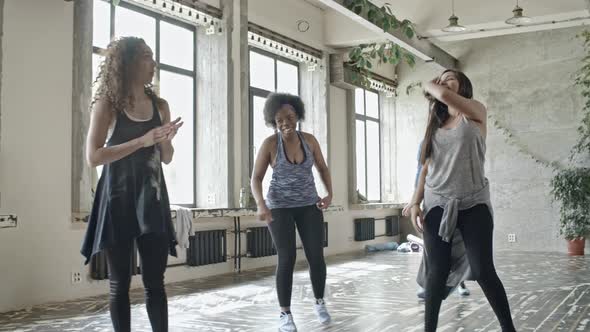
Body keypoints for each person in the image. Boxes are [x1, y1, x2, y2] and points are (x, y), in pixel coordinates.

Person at [81, 37, 183, 332]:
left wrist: (164, 142)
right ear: (128, 63)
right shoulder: (107, 104)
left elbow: (166, 158)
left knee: (155, 283)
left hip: (151, 199)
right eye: (147, 57)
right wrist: (142, 140)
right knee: (119, 284)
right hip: (117, 200)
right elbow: (94, 157)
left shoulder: (160, 106)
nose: (154, 63)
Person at [407, 70, 516, 331]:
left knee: (483, 270)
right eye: (440, 78)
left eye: (450, 78)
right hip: (436, 204)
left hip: (473, 203)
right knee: (436, 273)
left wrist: (427, 83)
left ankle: (508, 329)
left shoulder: (475, 113)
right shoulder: (435, 123)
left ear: (463, 86)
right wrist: (414, 202)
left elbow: (443, 94)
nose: (443, 82)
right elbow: (425, 167)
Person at [251, 93, 333, 332]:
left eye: (289, 117)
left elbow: (322, 168)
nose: (285, 122)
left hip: (309, 205)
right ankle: (285, 314)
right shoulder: (270, 144)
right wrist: (260, 204)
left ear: (297, 116)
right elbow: (256, 178)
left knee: (316, 256)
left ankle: (319, 302)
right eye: (279, 119)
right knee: (286, 258)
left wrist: (330, 194)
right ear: (273, 121)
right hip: (279, 208)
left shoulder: (310, 140)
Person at [403, 142, 470, 299]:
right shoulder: (425, 143)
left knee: (455, 244)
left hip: (455, 198)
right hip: (432, 201)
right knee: (432, 247)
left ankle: (459, 283)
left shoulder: (459, 140)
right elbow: (420, 173)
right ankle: (429, 285)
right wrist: (414, 202)